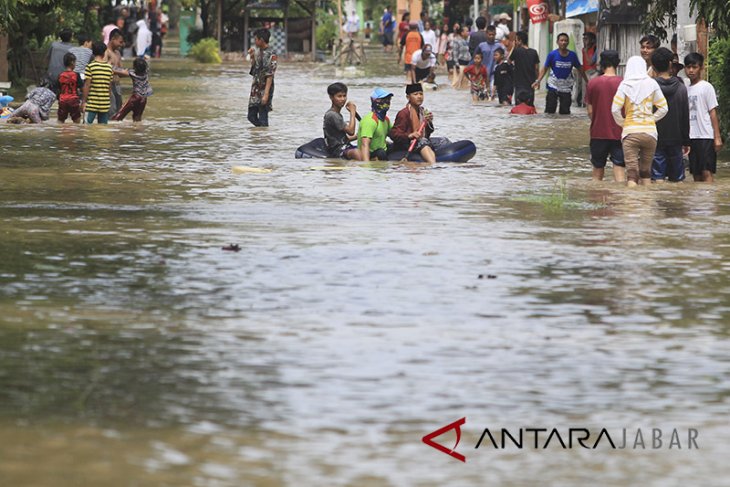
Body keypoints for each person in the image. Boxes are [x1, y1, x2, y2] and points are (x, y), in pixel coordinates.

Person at [611, 56, 668, 186]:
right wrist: (650, 120)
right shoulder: (652, 84)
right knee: (646, 172)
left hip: (630, 132)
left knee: (632, 173)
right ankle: (646, 202)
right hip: (650, 134)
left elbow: (615, 109)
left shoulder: (624, 85)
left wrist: (623, 123)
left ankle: (633, 203)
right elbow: (664, 108)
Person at [651, 47, 690, 183]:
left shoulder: (650, 88)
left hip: (655, 138)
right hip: (676, 139)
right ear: (670, 64)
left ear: (653, 66)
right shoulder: (681, 88)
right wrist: (686, 141)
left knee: (657, 178)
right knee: (678, 180)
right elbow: (685, 116)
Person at [585, 50, 625, 181]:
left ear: (601, 64)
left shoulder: (592, 83)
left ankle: (595, 198)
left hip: (598, 132)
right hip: (619, 132)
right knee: (619, 168)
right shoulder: (624, 84)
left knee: (597, 169)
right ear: (617, 64)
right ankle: (622, 199)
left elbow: (590, 111)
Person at [685, 52, 723, 182]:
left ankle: (709, 200)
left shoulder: (706, 87)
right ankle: (698, 201)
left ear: (701, 68)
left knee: (706, 171)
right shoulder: (686, 89)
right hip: (691, 136)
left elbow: (712, 112)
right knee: (695, 174)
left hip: (705, 135)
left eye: (694, 67)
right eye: (688, 67)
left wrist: (717, 137)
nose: (691, 70)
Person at [533, 33, 586, 114]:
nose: (563, 42)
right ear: (557, 42)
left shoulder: (572, 55)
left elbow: (580, 69)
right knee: (549, 112)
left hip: (566, 88)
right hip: (553, 86)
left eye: (565, 41)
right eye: (561, 40)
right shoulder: (552, 55)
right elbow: (545, 68)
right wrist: (538, 81)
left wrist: (587, 81)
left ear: (568, 42)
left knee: (565, 113)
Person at [390, 83, 436, 163]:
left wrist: (429, 122)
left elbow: (427, 133)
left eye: (421, 94)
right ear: (408, 97)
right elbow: (394, 134)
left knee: (443, 141)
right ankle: (433, 164)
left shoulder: (422, 111)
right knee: (423, 142)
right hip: (407, 144)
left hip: (420, 140)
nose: (419, 96)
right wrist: (410, 135)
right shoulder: (404, 113)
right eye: (415, 94)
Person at [320, 82, 360, 160]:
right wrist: (352, 112)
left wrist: (360, 136)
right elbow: (351, 131)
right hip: (337, 150)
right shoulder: (332, 115)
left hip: (345, 146)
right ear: (331, 97)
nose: (343, 99)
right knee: (356, 152)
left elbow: (343, 138)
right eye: (339, 96)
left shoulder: (337, 115)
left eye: (344, 96)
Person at [246, 29, 277, 127]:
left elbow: (270, 74)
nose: (255, 41)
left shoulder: (272, 54)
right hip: (255, 88)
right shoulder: (257, 51)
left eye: (256, 39)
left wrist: (266, 94)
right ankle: (261, 133)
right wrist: (252, 57)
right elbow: (255, 69)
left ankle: (263, 137)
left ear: (262, 40)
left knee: (263, 116)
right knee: (251, 116)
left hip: (265, 88)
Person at [81, 41, 114, 124]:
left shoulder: (90, 67)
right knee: (102, 130)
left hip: (91, 105)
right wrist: (108, 101)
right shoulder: (109, 68)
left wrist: (83, 102)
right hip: (104, 104)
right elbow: (109, 88)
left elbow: (87, 85)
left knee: (86, 128)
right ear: (104, 53)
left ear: (93, 53)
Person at [111, 57, 153, 122]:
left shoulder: (132, 73)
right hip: (144, 99)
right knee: (137, 118)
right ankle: (138, 130)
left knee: (118, 116)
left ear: (135, 67)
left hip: (135, 97)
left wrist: (109, 68)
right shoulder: (146, 72)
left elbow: (119, 72)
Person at [358, 87, 394, 161]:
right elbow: (365, 144)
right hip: (372, 153)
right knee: (381, 153)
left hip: (383, 149)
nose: (387, 102)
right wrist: (366, 165)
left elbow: (394, 135)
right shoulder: (370, 120)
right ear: (374, 101)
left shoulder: (386, 120)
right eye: (383, 99)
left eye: (388, 99)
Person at [510, 31, 539, 106]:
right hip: (530, 86)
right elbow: (536, 69)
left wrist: (513, 47)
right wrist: (537, 81)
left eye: (516, 40)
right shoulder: (534, 52)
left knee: (519, 111)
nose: (515, 42)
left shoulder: (516, 51)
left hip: (519, 87)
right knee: (530, 109)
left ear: (520, 41)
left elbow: (508, 61)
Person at [104, 29, 125, 119]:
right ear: (113, 39)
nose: (121, 44)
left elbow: (120, 71)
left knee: (119, 111)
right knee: (111, 110)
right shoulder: (105, 52)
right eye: (120, 42)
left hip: (117, 86)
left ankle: (116, 131)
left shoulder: (117, 53)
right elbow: (104, 69)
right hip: (108, 85)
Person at [57, 53, 82, 124]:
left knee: (60, 121)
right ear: (72, 62)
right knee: (77, 121)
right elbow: (82, 88)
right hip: (73, 100)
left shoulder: (60, 75)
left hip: (63, 101)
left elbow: (59, 90)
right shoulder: (76, 75)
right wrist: (83, 101)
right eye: (75, 62)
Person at [576, 31, 598, 107]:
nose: (584, 41)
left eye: (586, 39)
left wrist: (585, 52)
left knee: (592, 90)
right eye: (583, 39)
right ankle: (585, 105)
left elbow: (590, 62)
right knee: (585, 91)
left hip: (593, 73)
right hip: (585, 72)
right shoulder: (584, 49)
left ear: (592, 40)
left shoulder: (595, 48)